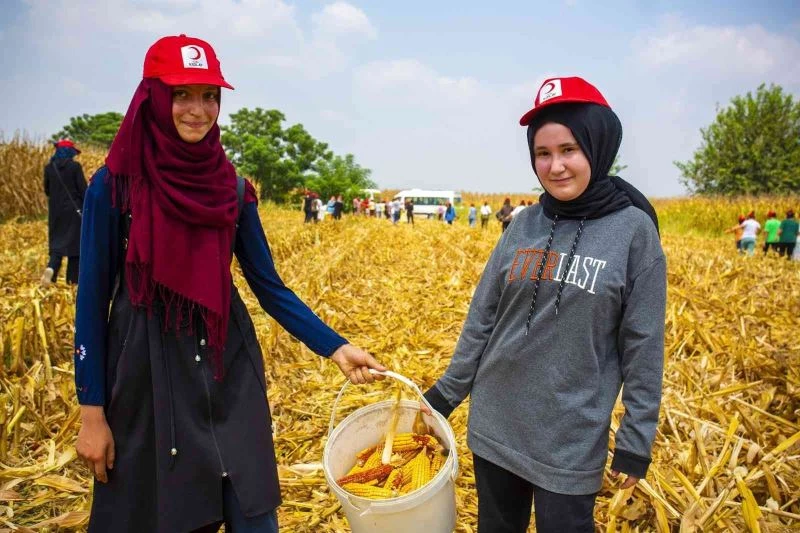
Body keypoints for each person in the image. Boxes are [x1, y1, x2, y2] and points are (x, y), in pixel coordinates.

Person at [72, 34, 386, 533]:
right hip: (146, 371)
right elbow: (90, 302)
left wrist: (336, 347)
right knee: (163, 513)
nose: (198, 110)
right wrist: (92, 413)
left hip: (226, 364)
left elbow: (269, 286)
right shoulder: (115, 186)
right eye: (182, 94)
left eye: (210, 95)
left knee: (253, 508)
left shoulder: (232, 188)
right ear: (153, 96)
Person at [423, 77, 665, 533]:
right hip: (495, 425)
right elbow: (483, 318)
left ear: (598, 144)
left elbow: (644, 344)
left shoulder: (634, 233)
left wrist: (636, 437)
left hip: (569, 441)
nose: (555, 166)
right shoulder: (523, 225)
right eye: (542, 153)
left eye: (569, 149)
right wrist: (445, 394)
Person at [41, 139, 87, 285]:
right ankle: (72, 281)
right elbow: (83, 190)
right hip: (74, 212)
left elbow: (47, 190)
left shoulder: (49, 168)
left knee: (57, 244)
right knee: (75, 247)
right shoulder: (75, 167)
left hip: (56, 213)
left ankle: (51, 269)